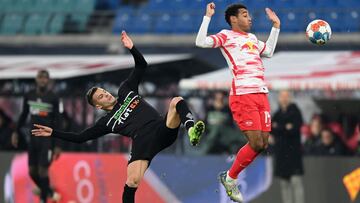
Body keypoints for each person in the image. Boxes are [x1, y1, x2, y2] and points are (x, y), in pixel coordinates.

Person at [32, 31, 205, 203]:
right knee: (131, 181)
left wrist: (132, 48)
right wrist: (53, 132)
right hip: (142, 143)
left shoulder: (125, 90)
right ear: (98, 106)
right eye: (101, 97)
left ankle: (191, 130)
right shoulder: (106, 122)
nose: (106, 95)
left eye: (104, 92)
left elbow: (141, 66)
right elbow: (80, 138)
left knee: (176, 101)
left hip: (161, 127)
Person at [196, 2, 280, 202]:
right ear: (233, 19)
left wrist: (275, 27)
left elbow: (267, 52)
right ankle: (230, 177)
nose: (249, 18)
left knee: (262, 144)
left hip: (261, 93)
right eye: (244, 14)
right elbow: (201, 41)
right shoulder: (226, 35)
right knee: (255, 142)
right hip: (243, 94)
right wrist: (207, 16)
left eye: (248, 14)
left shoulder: (251, 38)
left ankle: (229, 177)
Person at [11, 69, 61, 203]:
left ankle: (43, 199)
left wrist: (57, 144)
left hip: (47, 138)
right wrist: (16, 132)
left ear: (48, 80)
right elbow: (23, 114)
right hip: (33, 138)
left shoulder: (53, 97)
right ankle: (48, 191)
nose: (42, 80)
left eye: (45, 78)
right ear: (36, 79)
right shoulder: (29, 95)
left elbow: (58, 120)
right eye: (40, 77)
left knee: (43, 171)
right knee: (32, 172)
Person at [271, 90, 305, 203]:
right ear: (279, 98)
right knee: (284, 184)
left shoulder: (295, 112)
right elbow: (271, 128)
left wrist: (279, 128)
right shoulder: (277, 114)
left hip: (293, 153)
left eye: (286, 96)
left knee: (296, 182)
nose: (284, 99)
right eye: (282, 96)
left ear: (290, 98)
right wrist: (285, 127)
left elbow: (294, 129)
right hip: (281, 153)